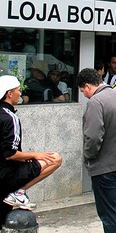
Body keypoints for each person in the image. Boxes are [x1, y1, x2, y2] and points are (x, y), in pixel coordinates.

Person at [78, 68, 116, 233]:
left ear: (87, 86)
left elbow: (92, 137)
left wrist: (89, 157)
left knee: (110, 213)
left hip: (106, 165)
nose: (84, 94)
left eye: (83, 91)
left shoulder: (95, 102)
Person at [0, 75, 62, 221]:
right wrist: (35, 155)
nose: (20, 94)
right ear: (9, 94)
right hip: (7, 176)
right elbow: (10, 154)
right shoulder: (10, 117)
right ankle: (19, 193)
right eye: (18, 90)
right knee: (55, 158)